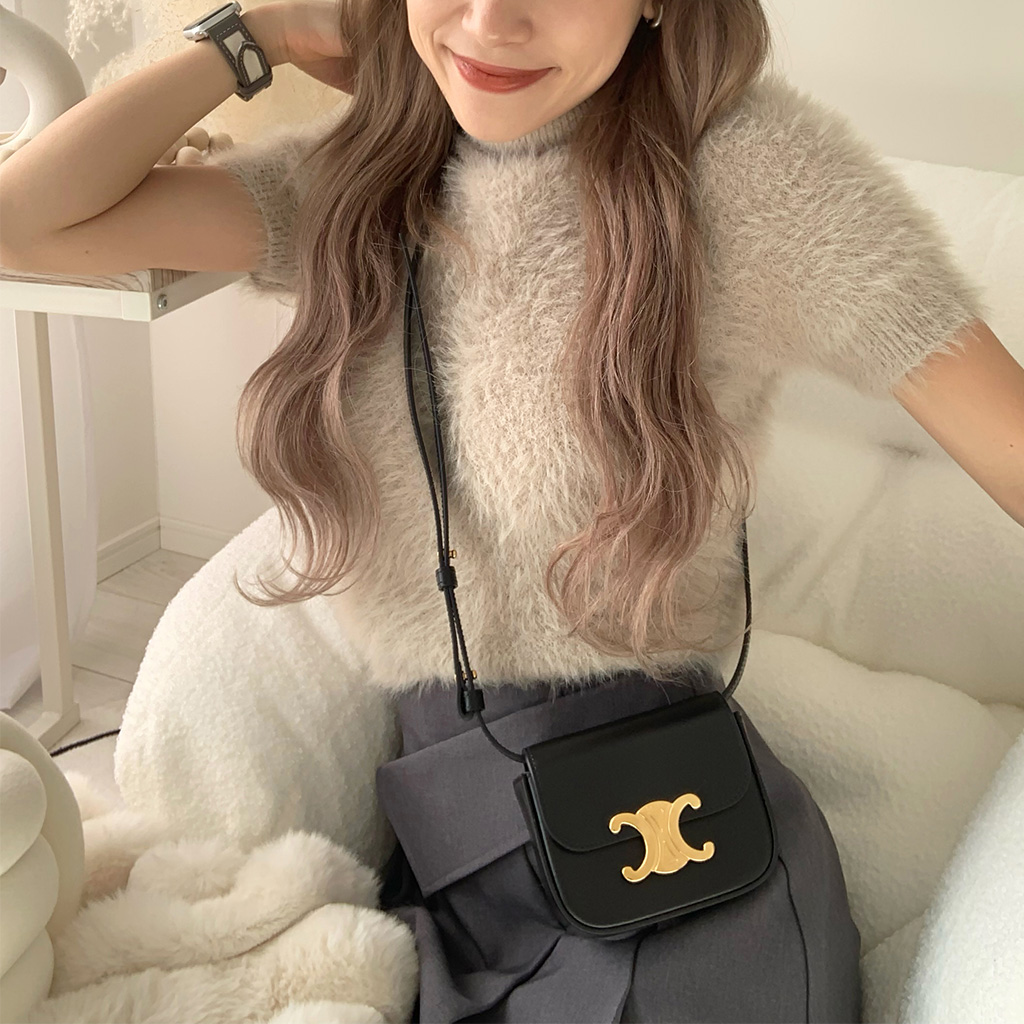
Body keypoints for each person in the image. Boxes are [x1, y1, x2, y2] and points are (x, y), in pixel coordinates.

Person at [0, 1, 1000, 1021]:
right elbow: (20, 221)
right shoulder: (360, 182)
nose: (488, 22)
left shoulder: (750, 171)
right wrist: (260, 33)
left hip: (677, 855)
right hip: (461, 842)